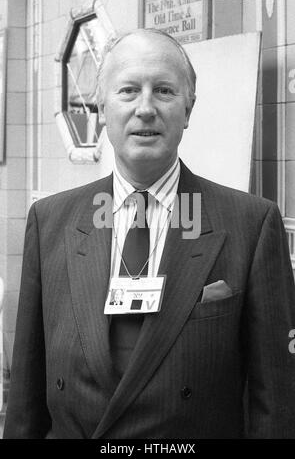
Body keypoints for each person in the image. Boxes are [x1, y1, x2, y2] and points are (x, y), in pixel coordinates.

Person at [3, 28, 295, 439]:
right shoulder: (50, 221)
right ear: (102, 108)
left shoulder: (252, 225)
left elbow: (276, 403)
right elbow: (27, 398)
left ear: (188, 109)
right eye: (128, 91)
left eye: (163, 90)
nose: (145, 108)